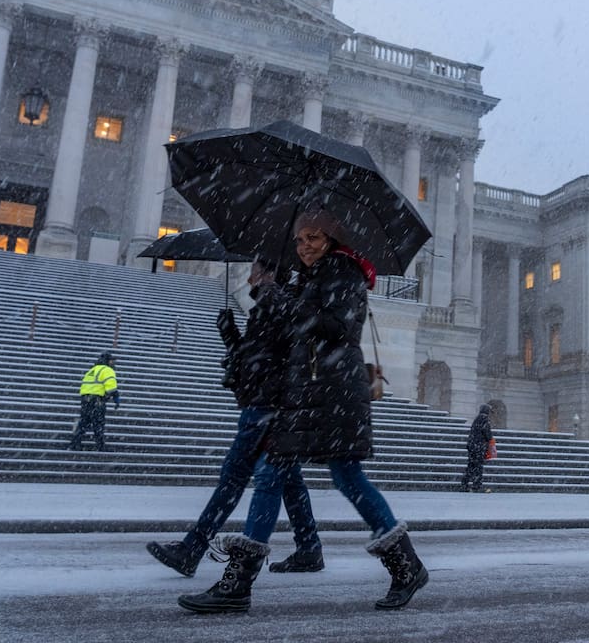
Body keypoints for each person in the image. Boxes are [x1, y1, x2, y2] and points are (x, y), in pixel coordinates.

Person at [178, 209, 427, 614]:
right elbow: (297, 332)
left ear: (331, 238)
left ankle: (406, 565)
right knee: (273, 473)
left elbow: (337, 328)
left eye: (313, 237)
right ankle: (239, 583)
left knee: (346, 478)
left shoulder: (344, 273)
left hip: (334, 393)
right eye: (299, 239)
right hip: (307, 392)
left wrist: (285, 302)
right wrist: (270, 304)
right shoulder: (313, 276)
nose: (304, 245)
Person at [148, 258, 323, 582]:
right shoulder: (273, 304)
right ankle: (309, 546)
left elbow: (262, 360)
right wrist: (230, 334)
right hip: (272, 405)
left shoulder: (272, 303)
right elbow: (258, 355)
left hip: (265, 407)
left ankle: (193, 548)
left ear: (268, 273)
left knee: (233, 478)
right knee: (290, 482)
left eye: (256, 267)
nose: (251, 273)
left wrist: (243, 358)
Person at [68, 351, 119, 451]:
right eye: (111, 361)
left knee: (84, 422)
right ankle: (100, 446)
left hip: (86, 400)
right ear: (107, 361)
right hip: (97, 401)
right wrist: (115, 397)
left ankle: (74, 444)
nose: (113, 363)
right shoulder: (107, 370)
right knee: (98, 424)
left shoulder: (92, 370)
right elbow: (111, 386)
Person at [460, 404, 493, 492]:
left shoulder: (476, 419)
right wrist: (490, 440)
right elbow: (487, 433)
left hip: (472, 446)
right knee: (478, 467)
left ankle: (464, 484)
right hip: (479, 447)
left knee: (471, 466)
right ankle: (476, 485)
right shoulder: (485, 419)